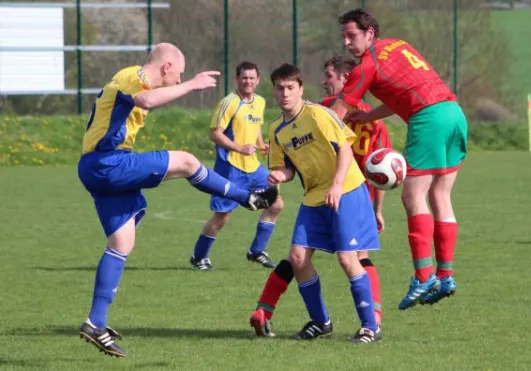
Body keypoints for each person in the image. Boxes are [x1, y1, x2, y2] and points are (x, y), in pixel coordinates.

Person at [76, 43, 279, 358]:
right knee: (186, 161)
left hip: (98, 166)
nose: (180, 77)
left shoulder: (132, 79)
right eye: (180, 72)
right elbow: (145, 98)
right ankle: (247, 198)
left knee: (122, 241)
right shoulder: (135, 76)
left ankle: (95, 323)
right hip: (107, 163)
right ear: (167, 66)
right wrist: (192, 84)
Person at [331, 8, 468, 310]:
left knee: (411, 195)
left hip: (428, 118)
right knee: (440, 196)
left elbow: (336, 115)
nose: (346, 42)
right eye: (343, 36)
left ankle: (423, 276)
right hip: (453, 112)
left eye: (351, 35)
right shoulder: (399, 45)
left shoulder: (366, 66)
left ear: (370, 33)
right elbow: (400, 96)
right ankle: (445, 276)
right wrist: (369, 115)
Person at [248, 56, 391, 335]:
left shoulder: (319, 115)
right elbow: (285, 168)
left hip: (346, 189)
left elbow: (346, 150)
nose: (285, 93)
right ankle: (322, 322)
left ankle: (369, 327)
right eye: (279, 88)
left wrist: (337, 184)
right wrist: (279, 175)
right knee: (298, 258)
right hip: (314, 196)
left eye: (290, 87)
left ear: (301, 88)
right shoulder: (277, 129)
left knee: (348, 259)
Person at [189, 61, 283, 271]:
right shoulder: (229, 102)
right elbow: (214, 134)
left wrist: (261, 144)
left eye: (252, 78)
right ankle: (199, 257)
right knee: (222, 217)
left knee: (275, 204)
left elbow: (256, 125)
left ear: (258, 80)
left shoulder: (259, 101)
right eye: (244, 78)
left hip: (253, 167)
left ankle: (256, 251)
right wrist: (240, 148)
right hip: (230, 168)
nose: (248, 81)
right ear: (236, 79)